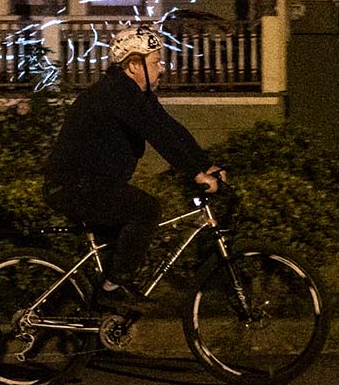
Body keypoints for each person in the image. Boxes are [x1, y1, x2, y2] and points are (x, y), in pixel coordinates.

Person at [43, 24, 224, 310]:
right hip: (73, 187)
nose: (162, 69)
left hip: (92, 185)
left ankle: (99, 310)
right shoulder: (118, 93)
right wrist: (196, 174)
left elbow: (169, 127)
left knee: (121, 242)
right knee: (146, 210)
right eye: (156, 62)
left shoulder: (135, 94)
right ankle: (113, 288)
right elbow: (157, 135)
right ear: (133, 65)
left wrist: (205, 164)